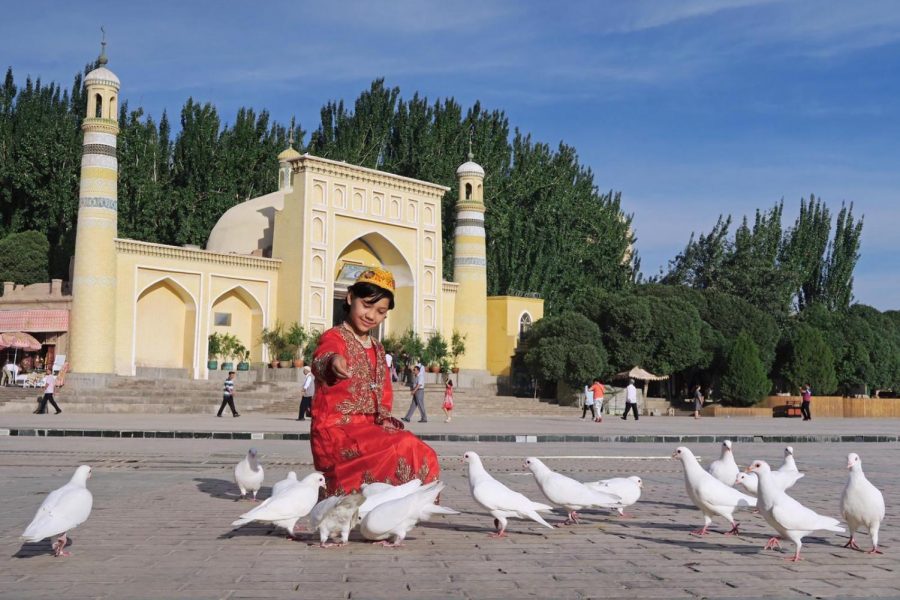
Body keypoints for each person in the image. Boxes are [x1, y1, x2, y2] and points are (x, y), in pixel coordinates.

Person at [311, 267, 439, 495]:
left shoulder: (378, 348)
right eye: (367, 305)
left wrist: (385, 419)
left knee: (422, 451)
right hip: (337, 429)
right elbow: (323, 357)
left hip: (370, 429)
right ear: (350, 298)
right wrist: (334, 361)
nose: (371, 316)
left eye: (380, 311)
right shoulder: (334, 337)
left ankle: (399, 512)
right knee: (403, 445)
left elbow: (384, 393)